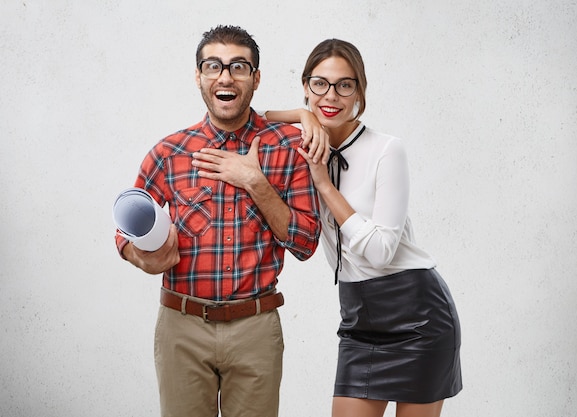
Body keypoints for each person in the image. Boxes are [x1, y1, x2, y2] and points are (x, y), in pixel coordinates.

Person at [115, 25, 322, 417]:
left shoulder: (287, 148)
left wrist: (255, 183)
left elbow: (306, 243)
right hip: (182, 327)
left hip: (255, 328)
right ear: (199, 76)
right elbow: (124, 231)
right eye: (214, 66)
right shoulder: (169, 153)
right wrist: (140, 257)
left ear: (255, 79)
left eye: (239, 67)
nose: (225, 77)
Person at [264, 39, 463, 417]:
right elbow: (246, 118)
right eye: (319, 83)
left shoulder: (387, 150)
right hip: (357, 318)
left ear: (360, 91)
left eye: (345, 84)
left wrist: (323, 184)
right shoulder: (302, 142)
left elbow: (381, 251)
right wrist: (302, 116)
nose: (331, 95)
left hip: (418, 315)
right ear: (305, 86)